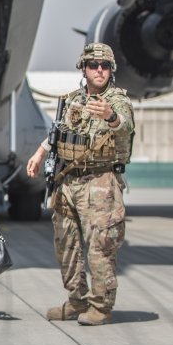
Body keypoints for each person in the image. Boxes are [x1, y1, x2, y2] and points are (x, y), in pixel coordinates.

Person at [26, 43, 134, 326]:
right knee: (66, 244)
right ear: (83, 69)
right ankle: (76, 300)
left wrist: (110, 116)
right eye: (93, 65)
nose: (99, 71)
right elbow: (57, 133)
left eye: (105, 66)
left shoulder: (117, 101)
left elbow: (124, 125)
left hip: (101, 182)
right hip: (68, 182)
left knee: (100, 246)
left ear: (112, 70)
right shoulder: (73, 99)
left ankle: (100, 307)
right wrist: (39, 154)